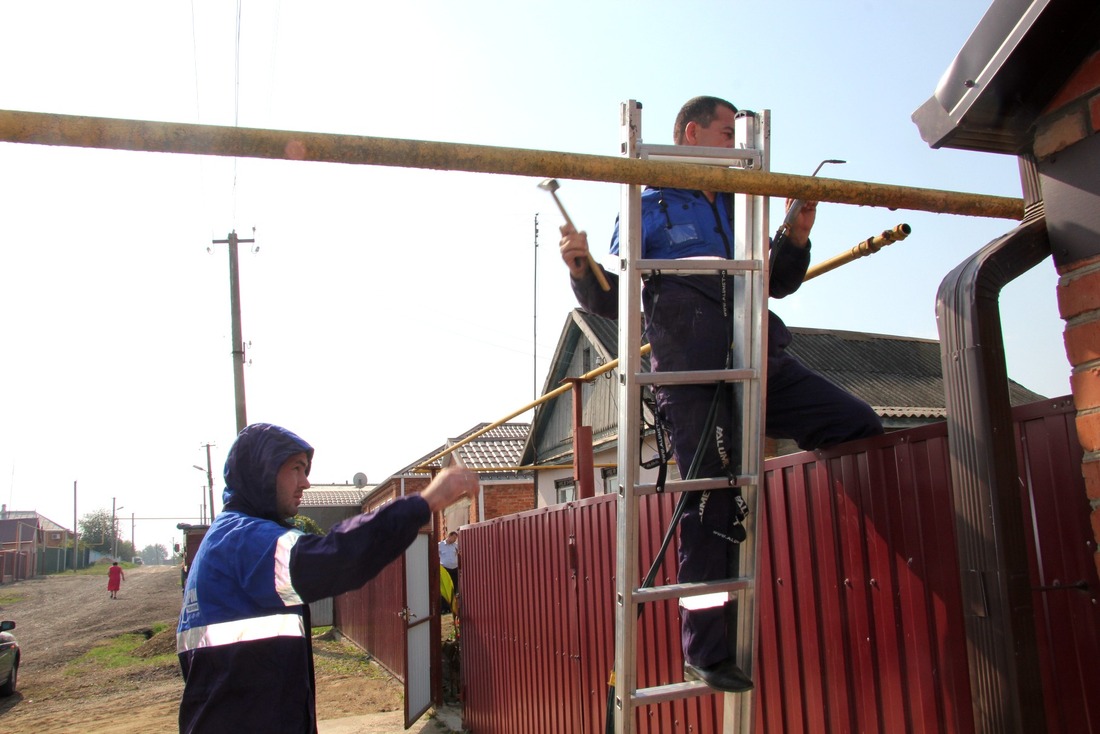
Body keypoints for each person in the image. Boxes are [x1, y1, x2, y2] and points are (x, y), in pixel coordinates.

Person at [559, 96, 883, 693]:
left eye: (741, 135)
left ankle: (842, 551)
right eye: (727, 132)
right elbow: (615, 301)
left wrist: (797, 232)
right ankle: (705, 650)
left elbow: (779, 282)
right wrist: (582, 269)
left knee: (855, 423)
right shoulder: (648, 200)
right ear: (690, 133)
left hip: (759, 358)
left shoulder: (742, 202)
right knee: (710, 497)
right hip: (693, 376)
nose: (737, 145)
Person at [176, 423, 478, 733]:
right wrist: (425, 501)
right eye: (296, 468)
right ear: (263, 472)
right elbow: (336, 557)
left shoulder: (226, 539)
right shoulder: (243, 542)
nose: (305, 482)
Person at [438, 530, 460, 614]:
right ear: (449, 536)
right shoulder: (440, 545)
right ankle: (444, 608)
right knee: (445, 588)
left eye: (456, 538)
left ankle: (452, 607)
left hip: (454, 569)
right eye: (454, 538)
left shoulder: (456, 546)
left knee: (453, 588)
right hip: (445, 569)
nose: (455, 540)